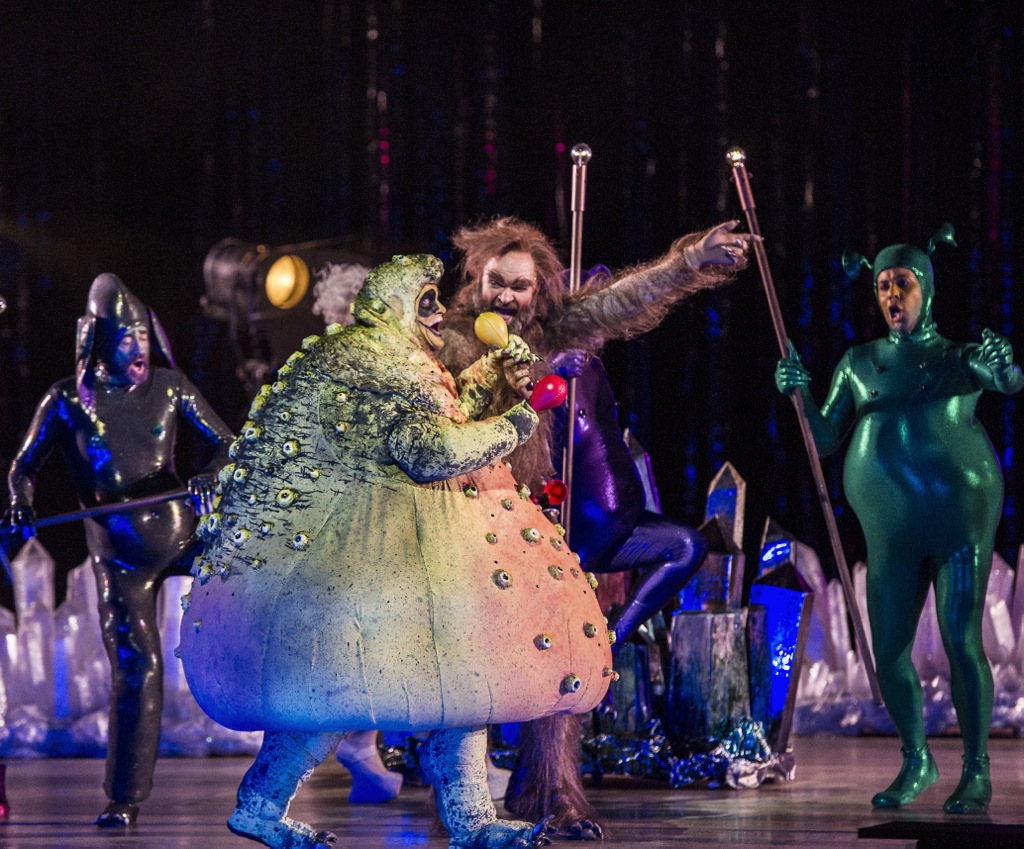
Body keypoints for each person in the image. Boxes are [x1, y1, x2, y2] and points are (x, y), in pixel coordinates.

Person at [178, 254, 613, 849]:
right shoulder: (374, 361)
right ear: (396, 307)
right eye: (426, 302)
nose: (438, 313)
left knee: (452, 687)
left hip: (405, 559)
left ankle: (466, 821)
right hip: (369, 563)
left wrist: (491, 371)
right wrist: (518, 422)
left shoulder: (393, 356)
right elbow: (427, 451)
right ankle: (264, 807)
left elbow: (444, 407)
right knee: (349, 693)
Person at [434, 216, 754, 837]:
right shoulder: (450, 341)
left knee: (561, 659)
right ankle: (462, 802)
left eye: (521, 286)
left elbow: (625, 298)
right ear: (475, 279)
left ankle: (553, 794)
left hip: (542, 532)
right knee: (471, 669)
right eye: (498, 282)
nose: (507, 297)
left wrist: (691, 258)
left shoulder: (553, 329)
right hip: (476, 527)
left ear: (539, 291)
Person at [775, 225, 1023, 814]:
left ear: (926, 290)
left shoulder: (959, 358)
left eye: (903, 283)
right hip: (891, 535)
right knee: (887, 652)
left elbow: (1008, 382)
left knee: (962, 640)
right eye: (883, 284)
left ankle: (977, 770)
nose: (892, 294)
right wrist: (800, 394)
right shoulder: (859, 363)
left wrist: (1004, 366)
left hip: (959, 525)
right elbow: (826, 439)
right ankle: (917, 759)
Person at [6, 273, 233, 827]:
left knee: (256, 607)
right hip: (120, 559)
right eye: (128, 338)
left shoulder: (171, 386)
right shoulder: (66, 400)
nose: (140, 349)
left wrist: (210, 475)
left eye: (144, 336)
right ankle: (124, 798)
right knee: (138, 666)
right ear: (100, 341)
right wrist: (20, 502)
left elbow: (229, 446)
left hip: (185, 539)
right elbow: (23, 467)